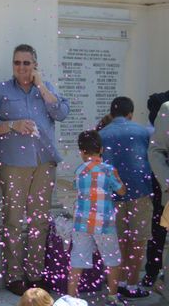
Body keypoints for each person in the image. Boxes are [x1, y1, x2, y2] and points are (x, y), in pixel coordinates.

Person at [0, 44, 69, 295]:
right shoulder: (0, 91)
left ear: (35, 65)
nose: (21, 67)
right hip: (13, 165)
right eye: (17, 63)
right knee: (13, 221)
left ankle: (35, 274)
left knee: (39, 221)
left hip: (44, 163)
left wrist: (42, 87)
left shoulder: (45, 89)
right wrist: (13, 124)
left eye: (26, 63)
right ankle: (14, 276)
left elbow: (63, 113)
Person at [99, 96, 152, 299]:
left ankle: (117, 282)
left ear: (112, 114)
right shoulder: (143, 132)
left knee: (118, 241)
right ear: (130, 113)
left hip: (112, 195)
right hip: (140, 192)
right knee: (138, 241)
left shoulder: (102, 134)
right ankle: (131, 285)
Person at [68, 131, 125, 306]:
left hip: (81, 223)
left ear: (81, 151)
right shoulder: (108, 170)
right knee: (112, 259)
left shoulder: (79, 170)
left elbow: (76, 189)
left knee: (77, 259)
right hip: (104, 224)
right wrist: (118, 180)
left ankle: (71, 298)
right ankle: (112, 297)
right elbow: (121, 191)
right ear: (101, 149)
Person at [142, 89, 169, 288]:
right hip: (165, 186)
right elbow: (157, 150)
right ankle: (152, 272)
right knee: (159, 228)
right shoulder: (165, 106)